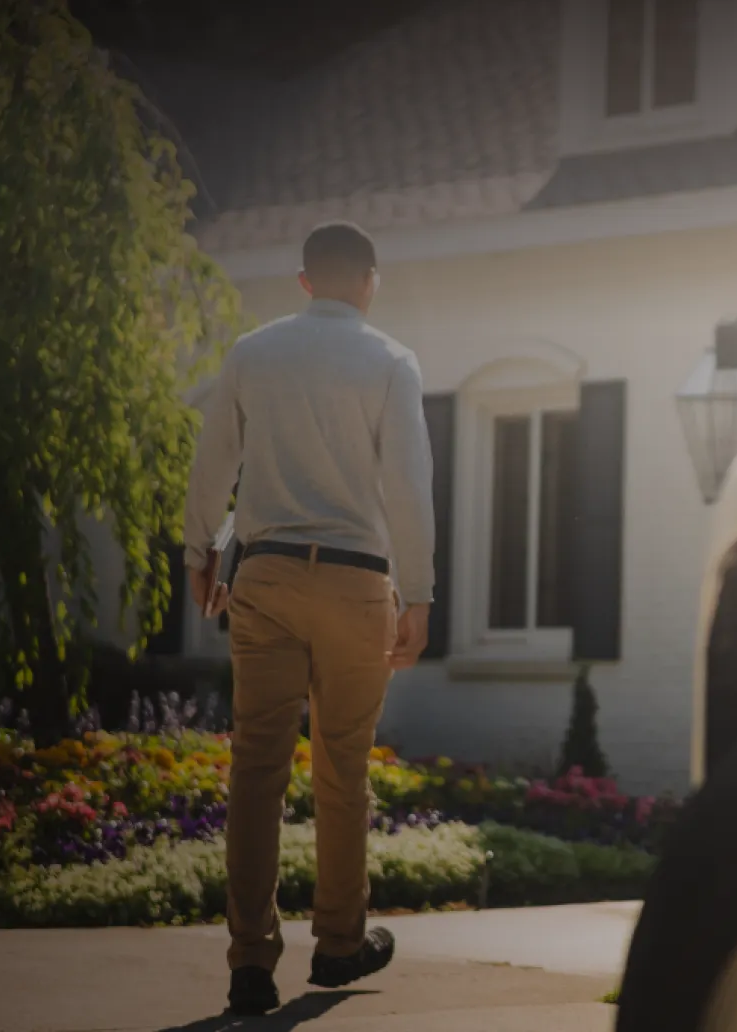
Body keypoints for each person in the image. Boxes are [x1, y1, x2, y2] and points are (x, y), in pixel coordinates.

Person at [182, 221, 435, 1016]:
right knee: (343, 769)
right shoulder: (391, 362)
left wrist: (199, 552)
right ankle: (339, 943)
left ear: (302, 282)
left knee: (257, 770)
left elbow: (214, 461)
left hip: (266, 576)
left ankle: (251, 962)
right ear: (369, 282)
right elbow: (408, 489)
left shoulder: (252, 354)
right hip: (360, 582)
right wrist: (420, 595)